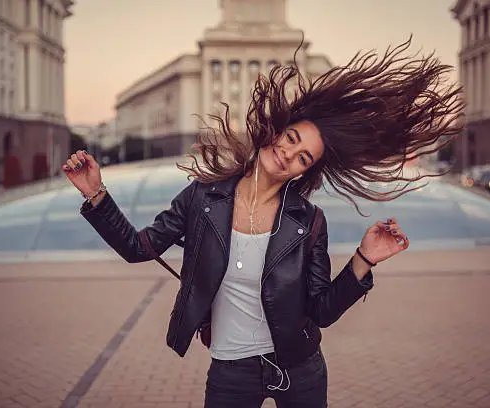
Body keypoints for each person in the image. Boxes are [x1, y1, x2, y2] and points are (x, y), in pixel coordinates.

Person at [63, 38, 463, 408]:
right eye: (291, 138)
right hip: (231, 369)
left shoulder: (308, 221)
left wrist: (364, 259)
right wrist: (96, 194)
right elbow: (139, 249)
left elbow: (321, 310)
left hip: (300, 369)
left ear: (305, 171)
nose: (289, 154)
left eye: (304, 157)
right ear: (275, 132)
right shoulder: (203, 198)